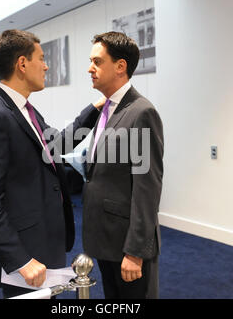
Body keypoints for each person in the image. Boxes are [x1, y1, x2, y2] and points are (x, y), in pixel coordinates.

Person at [0, 29, 102, 299]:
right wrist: (18, 259)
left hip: (44, 241)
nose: (46, 65)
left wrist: (97, 108)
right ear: (22, 63)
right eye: (41, 58)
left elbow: (56, 145)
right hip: (25, 253)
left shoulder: (25, 110)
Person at [82, 32, 164, 299]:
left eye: (97, 61)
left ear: (120, 66)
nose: (90, 68)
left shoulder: (141, 112)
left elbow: (147, 187)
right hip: (106, 240)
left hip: (127, 247)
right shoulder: (107, 109)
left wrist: (136, 251)